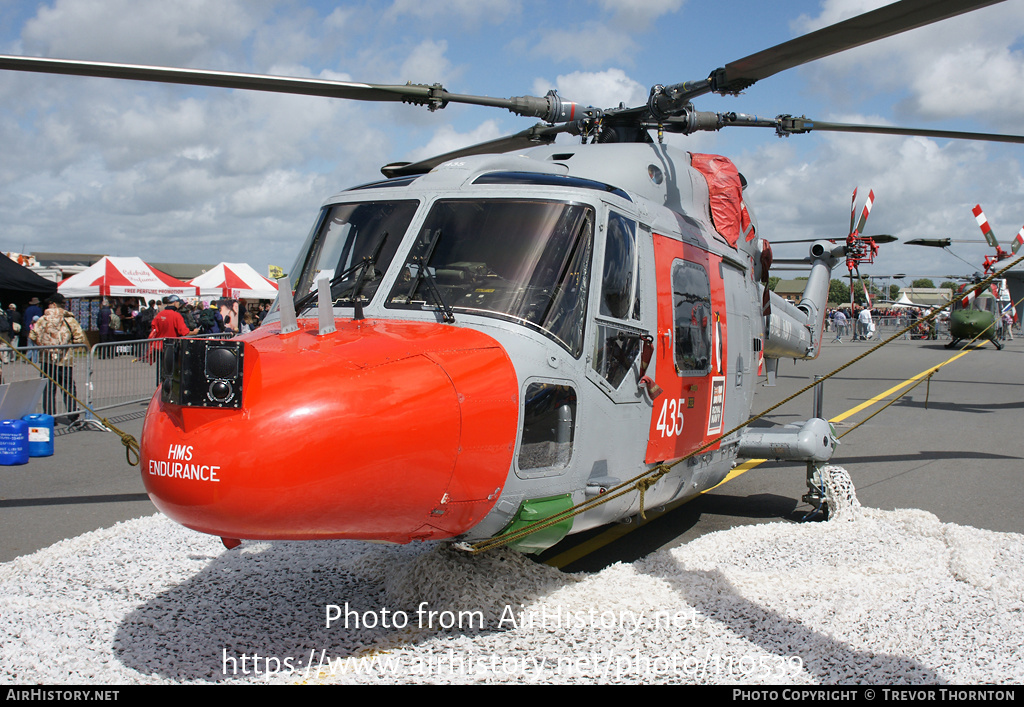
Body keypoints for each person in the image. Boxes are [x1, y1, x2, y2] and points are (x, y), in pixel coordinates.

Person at [29, 293, 86, 422]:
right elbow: (79, 338)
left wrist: (43, 346)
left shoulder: (43, 319)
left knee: (49, 388)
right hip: (65, 360)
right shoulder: (69, 319)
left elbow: (32, 335)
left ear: (53, 304)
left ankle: (50, 417)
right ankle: (73, 415)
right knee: (68, 387)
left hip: (47, 359)